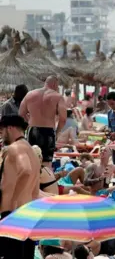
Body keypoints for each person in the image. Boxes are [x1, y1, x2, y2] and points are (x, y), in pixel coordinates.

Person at [0, 115, 39, 259]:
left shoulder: (15, 148)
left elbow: (26, 170)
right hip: (29, 213)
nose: (2, 135)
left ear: (10, 128)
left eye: (2, 131)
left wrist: (14, 200)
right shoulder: (32, 151)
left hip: (13, 213)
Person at [19, 75, 67, 168]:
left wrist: (29, 122)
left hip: (32, 130)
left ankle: (33, 182)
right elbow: (63, 119)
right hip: (48, 132)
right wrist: (57, 132)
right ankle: (44, 181)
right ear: (55, 84)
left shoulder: (30, 94)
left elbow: (21, 113)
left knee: (31, 161)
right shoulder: (57, 96)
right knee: (46, 164)